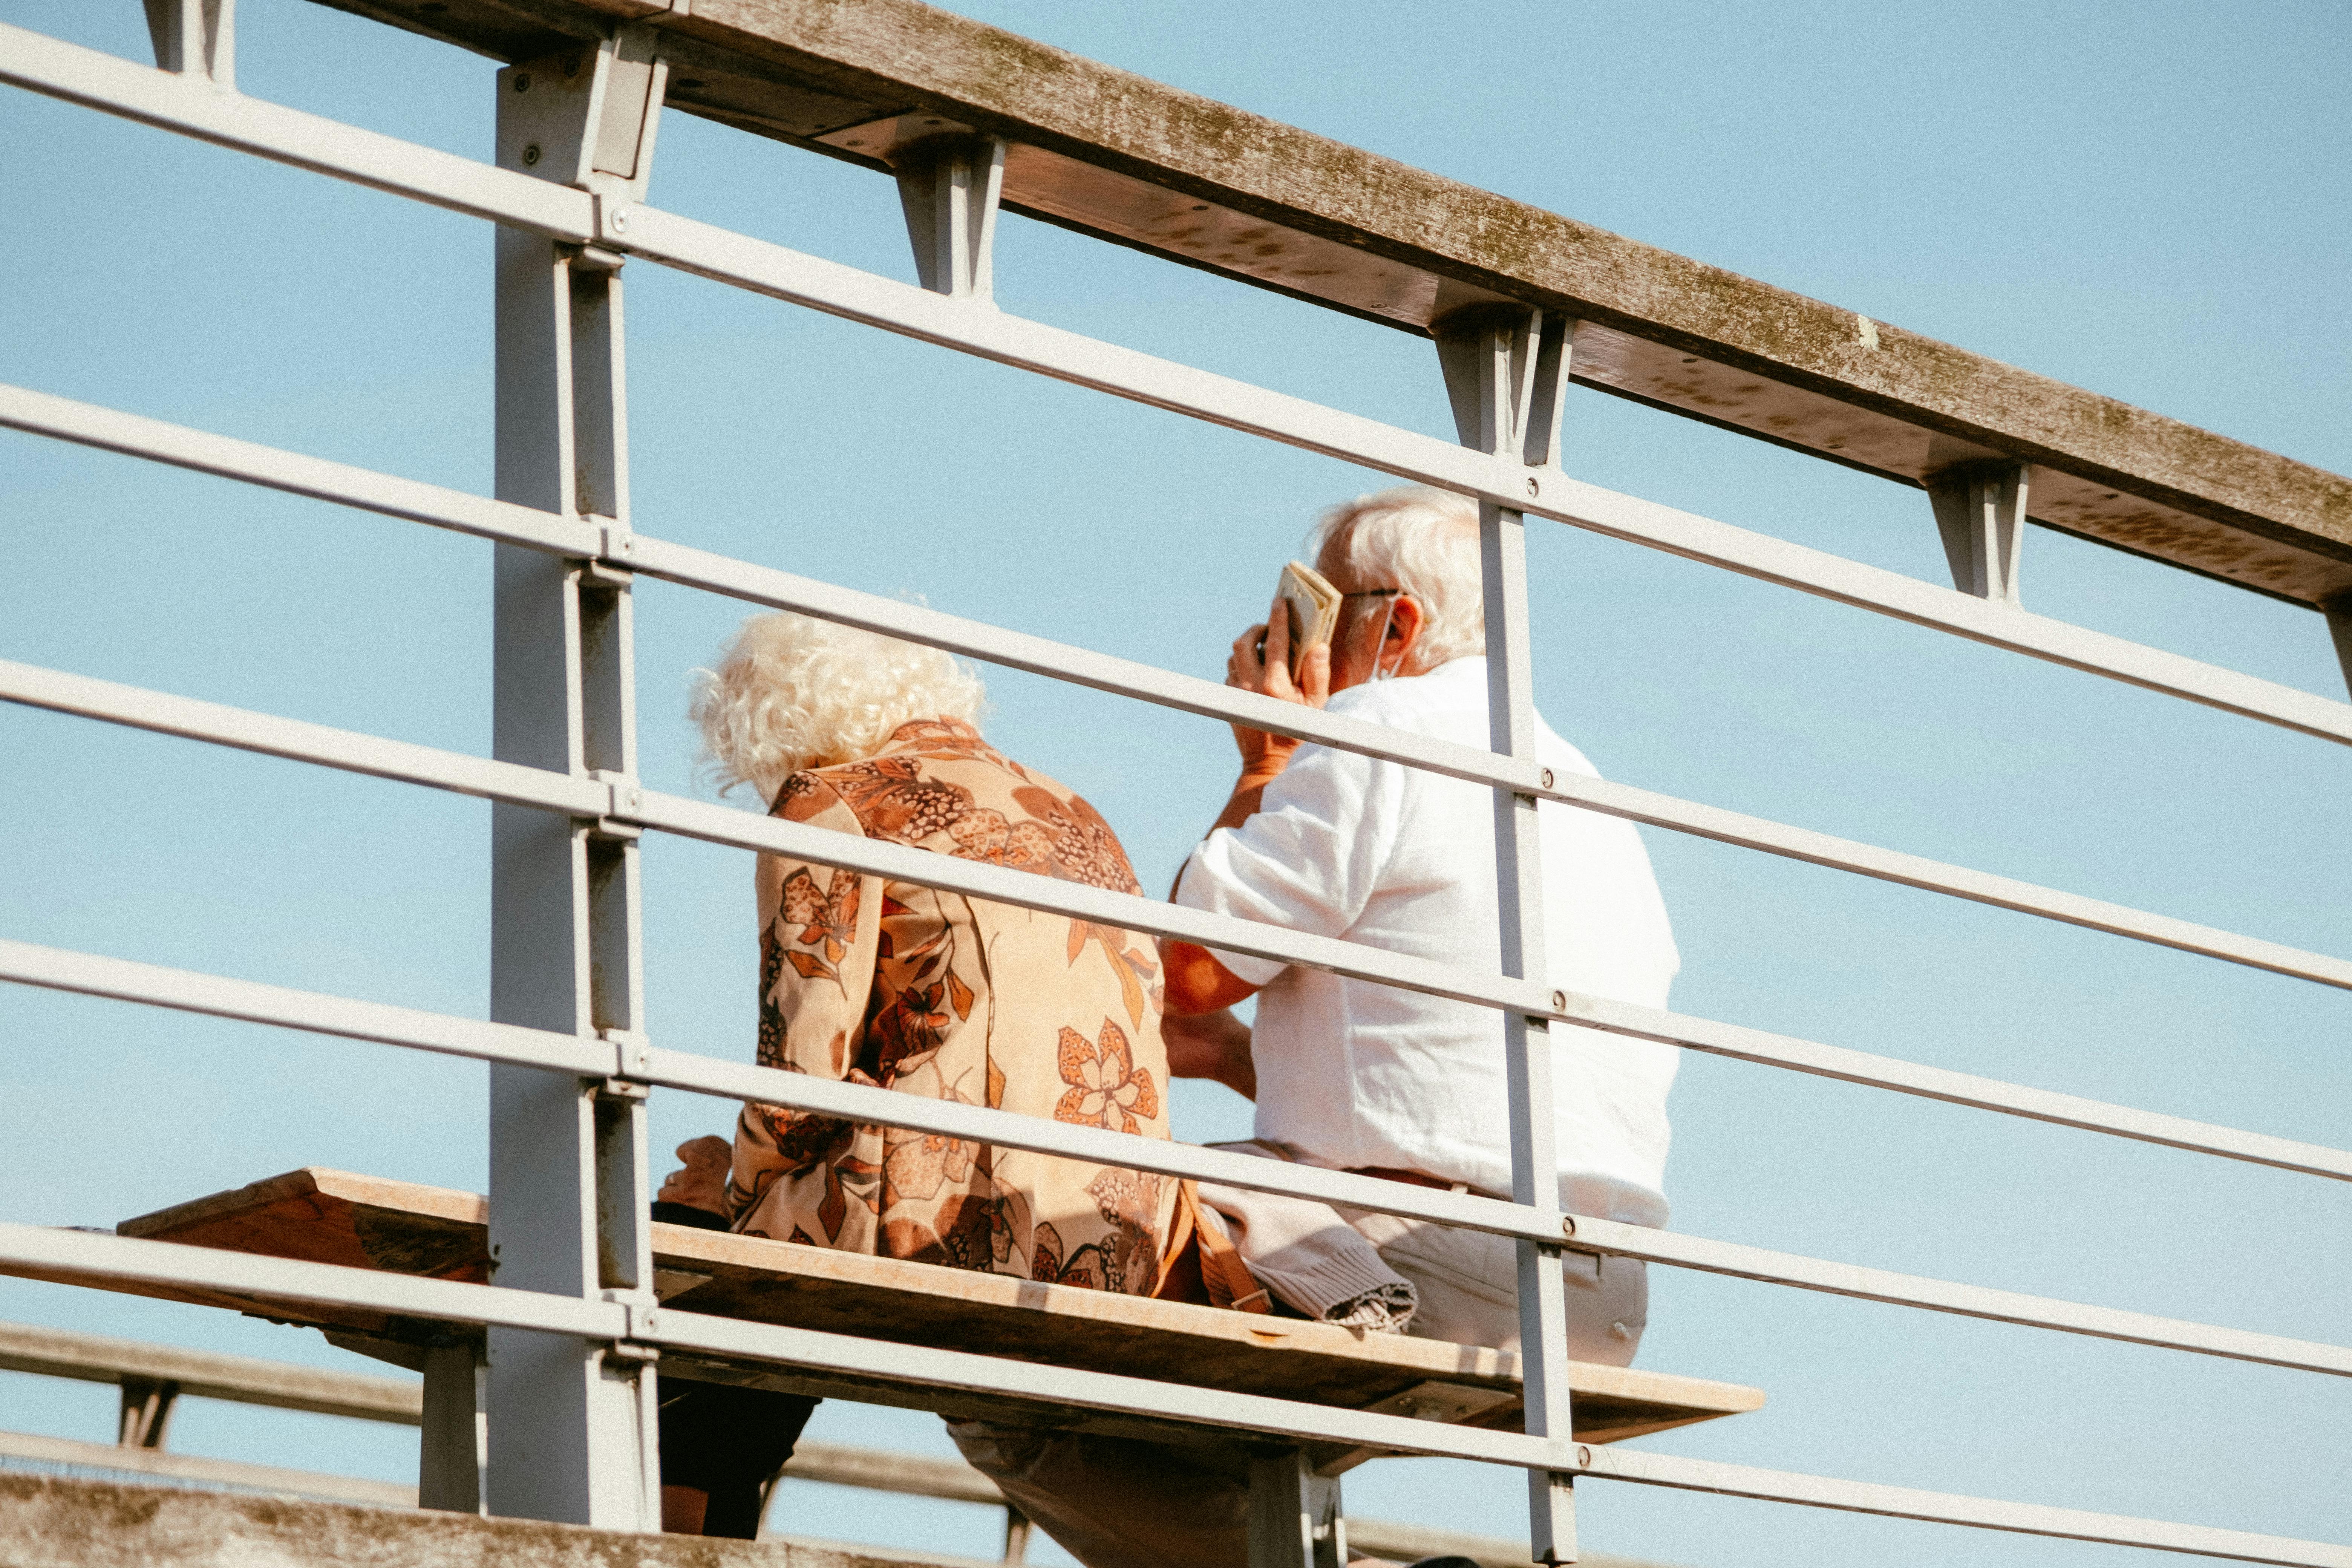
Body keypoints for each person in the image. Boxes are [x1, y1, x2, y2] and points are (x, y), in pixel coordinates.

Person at [653, 610, 1233, 1538]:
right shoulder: (1075, 810)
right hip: (1121, 1240)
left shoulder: (832, 800)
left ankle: (674, 1543)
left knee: (694, 1249)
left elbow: (800, 1068)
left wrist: (725, 1190)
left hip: (953, 1220)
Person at [1161, 483, 1683, 1362]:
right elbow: (1440, 1085)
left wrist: (1270, 756)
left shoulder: (1382, 728)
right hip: (1601, 1296)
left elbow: (1186, 969)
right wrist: (1223, 1054)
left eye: (1314, 612)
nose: (1289, 643)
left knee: (1056, 1231)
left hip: (1424, 1254)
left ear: (1396, 628)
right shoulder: (1582, 785)